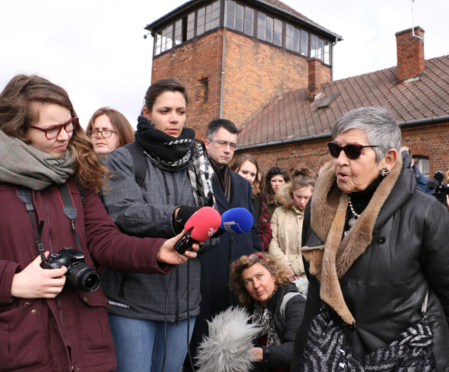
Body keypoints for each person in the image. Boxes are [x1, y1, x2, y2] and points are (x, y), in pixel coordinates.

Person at [0, 74, 199, 372]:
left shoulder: (77, 176)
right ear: (18, 129)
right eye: (52, 129)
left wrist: (158, 251)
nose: (67, 136)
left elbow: (104, 241)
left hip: (84, 345)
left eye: (70, 123)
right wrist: (12, 281)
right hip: (23, 344)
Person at [293, 107, 449, 372]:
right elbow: (314, 280)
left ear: (387, 159)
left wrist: (412, 339)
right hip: (330, 355)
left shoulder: (423, 211)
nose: (340, 161)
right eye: (336, 149)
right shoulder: (319, 206)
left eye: (353, 151)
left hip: (404, 356)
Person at [100, 78, 216, 371]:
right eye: (165, 110)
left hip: (184, 305)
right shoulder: (123, 158)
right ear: (147, 113)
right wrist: (176, 215)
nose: (175, 118)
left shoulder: (197, 161)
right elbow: (123, 212)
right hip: (133, 303)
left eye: (181, 111)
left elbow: (208, 219)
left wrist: (211, 230)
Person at [184, 119, 262, 372]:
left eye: (233, 145)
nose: (228, 149)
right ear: (207, 143)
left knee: (233, 335)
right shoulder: (192, 175)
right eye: (223, 143)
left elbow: (250, 225)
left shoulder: (241, 183)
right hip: (205, 267)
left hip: (237, 269)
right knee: (201, 335)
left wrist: (253, 258)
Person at [229, 252, 306, 371]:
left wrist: (256, 354)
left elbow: (295, 351)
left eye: (260, 276)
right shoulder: (251, 310)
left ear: (274, 275)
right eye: (248, 281)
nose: (256, 285)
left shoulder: (295, 303)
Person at [269, 167, 316, 280]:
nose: (302, 201)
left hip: (309, 276)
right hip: (282, 274)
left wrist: (295, 268)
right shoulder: (279, 213)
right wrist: (286, 268)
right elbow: (272, 242)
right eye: (298, 196)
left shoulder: (319, 215)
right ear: (291, 193)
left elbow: (317, 248)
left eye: (306, 197)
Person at [231, 153, 272, 250]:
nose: (248, 178)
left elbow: (265, 231)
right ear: (233, 171)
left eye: (252, 174)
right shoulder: (223, 195)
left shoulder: (257, 201)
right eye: (244, 172)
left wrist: (254, 250)